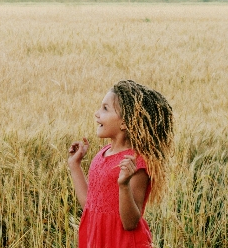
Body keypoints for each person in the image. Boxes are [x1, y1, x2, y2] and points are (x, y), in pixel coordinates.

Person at [68, 80, 174, 248]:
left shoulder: (137, 162)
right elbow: (90, 205)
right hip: (97, 241)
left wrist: (123, 185)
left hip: (123, 243)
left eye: (105, 108)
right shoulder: (101, 156)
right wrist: (75, 166)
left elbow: (130, 222)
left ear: (125, 122)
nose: (97, 113)